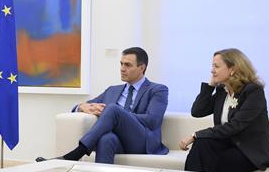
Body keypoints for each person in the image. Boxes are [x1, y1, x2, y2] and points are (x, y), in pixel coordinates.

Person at [36, 47, 169, 164]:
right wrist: (81, 106)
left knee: (112, 109)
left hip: (142, 141)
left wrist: (119, 116)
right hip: (118, 140)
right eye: (121, 64)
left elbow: (153, 121)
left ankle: (76, 153)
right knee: (106, 139)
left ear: (142, 68)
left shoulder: (158, 90)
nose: (122, 69)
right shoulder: (112, 90)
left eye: (128, 65)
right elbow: (85, 105)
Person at [180, 48, 269, 172]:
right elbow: (197, 111)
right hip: (228, 144)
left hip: (249, 150)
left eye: (216, 66)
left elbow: (235, 126)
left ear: (232, 69)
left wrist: (195, 134)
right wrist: (210, 86)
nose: (212, 70)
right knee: (201, 144)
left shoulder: (253, 91)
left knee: (214, 159)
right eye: (212, 66)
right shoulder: (222, 91)